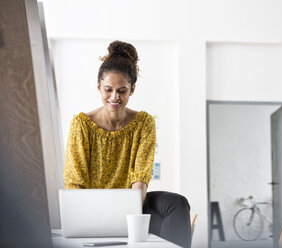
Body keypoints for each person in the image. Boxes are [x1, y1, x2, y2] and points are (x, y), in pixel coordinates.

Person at [63, 40, 191, 248]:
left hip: (133, 203)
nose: (115, 97)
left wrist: (132, 221)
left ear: (132, 89)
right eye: (108, 90)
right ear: (98, 87)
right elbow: (75, 182)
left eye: (122, 90)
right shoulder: (81, 125)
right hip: (93, 208)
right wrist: (93, 219)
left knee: (177, 203)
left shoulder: (144, 123)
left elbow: (139, 179)